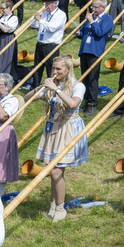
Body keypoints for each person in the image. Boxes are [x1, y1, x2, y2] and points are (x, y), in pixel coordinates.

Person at [27, 55, 88, 221]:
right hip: (53, 127)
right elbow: (28, 98)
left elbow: (73, 104)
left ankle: (60, 208)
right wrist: (41, 87)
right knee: (53, 169)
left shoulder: (78, 86)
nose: (55, 71)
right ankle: (53, 204)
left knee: (55, 171)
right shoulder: (55, 85)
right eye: (54, 68)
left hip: (67, 128)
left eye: (58, 69)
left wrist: (56, 89)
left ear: (68, 70)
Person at [76, 0, 113, 118]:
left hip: (95, 51)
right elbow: (84, 32)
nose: (93, 9)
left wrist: (92, 21)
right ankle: (85, 101)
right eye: (93, 6)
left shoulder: (107, 19)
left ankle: (92, 103)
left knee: (92, 78)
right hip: (84, 50)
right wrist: (79, 33)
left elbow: (100, 32)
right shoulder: (91, 18)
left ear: (103, 8)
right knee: (84, 78)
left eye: (96, 7)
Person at [27, 0, 67, 88]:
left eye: (48, 4)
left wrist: (40, 20)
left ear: (55, 4)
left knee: (51, 69)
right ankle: (35, 87)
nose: (46, 6)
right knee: (37, 68)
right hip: (40, 44)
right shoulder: (45, 13)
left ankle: (52, 88)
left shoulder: (61, 15)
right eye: (45, 4)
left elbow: (52, 28)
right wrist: (34, 19)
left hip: (51, 46)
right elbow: (34, 26)